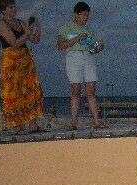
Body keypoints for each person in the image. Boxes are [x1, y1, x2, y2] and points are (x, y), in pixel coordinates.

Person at [0, 0, 43, 134]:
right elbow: (14, 43)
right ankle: (17, 126)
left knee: (31, 89)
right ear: (3, 10)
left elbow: (35, 40)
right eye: (10, 7)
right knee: (13, 93)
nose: (14, 9)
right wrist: (27, 33)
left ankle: (33, 124)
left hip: (25, 59)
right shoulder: (2, 24)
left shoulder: (20, 22)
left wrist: (36, 27)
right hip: (11, 60)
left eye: (14, 7)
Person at [57, 2, 104, 130]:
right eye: (83, 15)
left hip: (88, 57)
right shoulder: (66, 27)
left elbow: (93, 48)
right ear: (76, 14)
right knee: (76, 90)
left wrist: (99, 47)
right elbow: (60, 46)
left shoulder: (89, 29)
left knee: (91, 89)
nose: (86, 17)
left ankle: (96, 121)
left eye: (87, 15)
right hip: (73, 57)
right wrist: (76, 38)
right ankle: (73, 123)